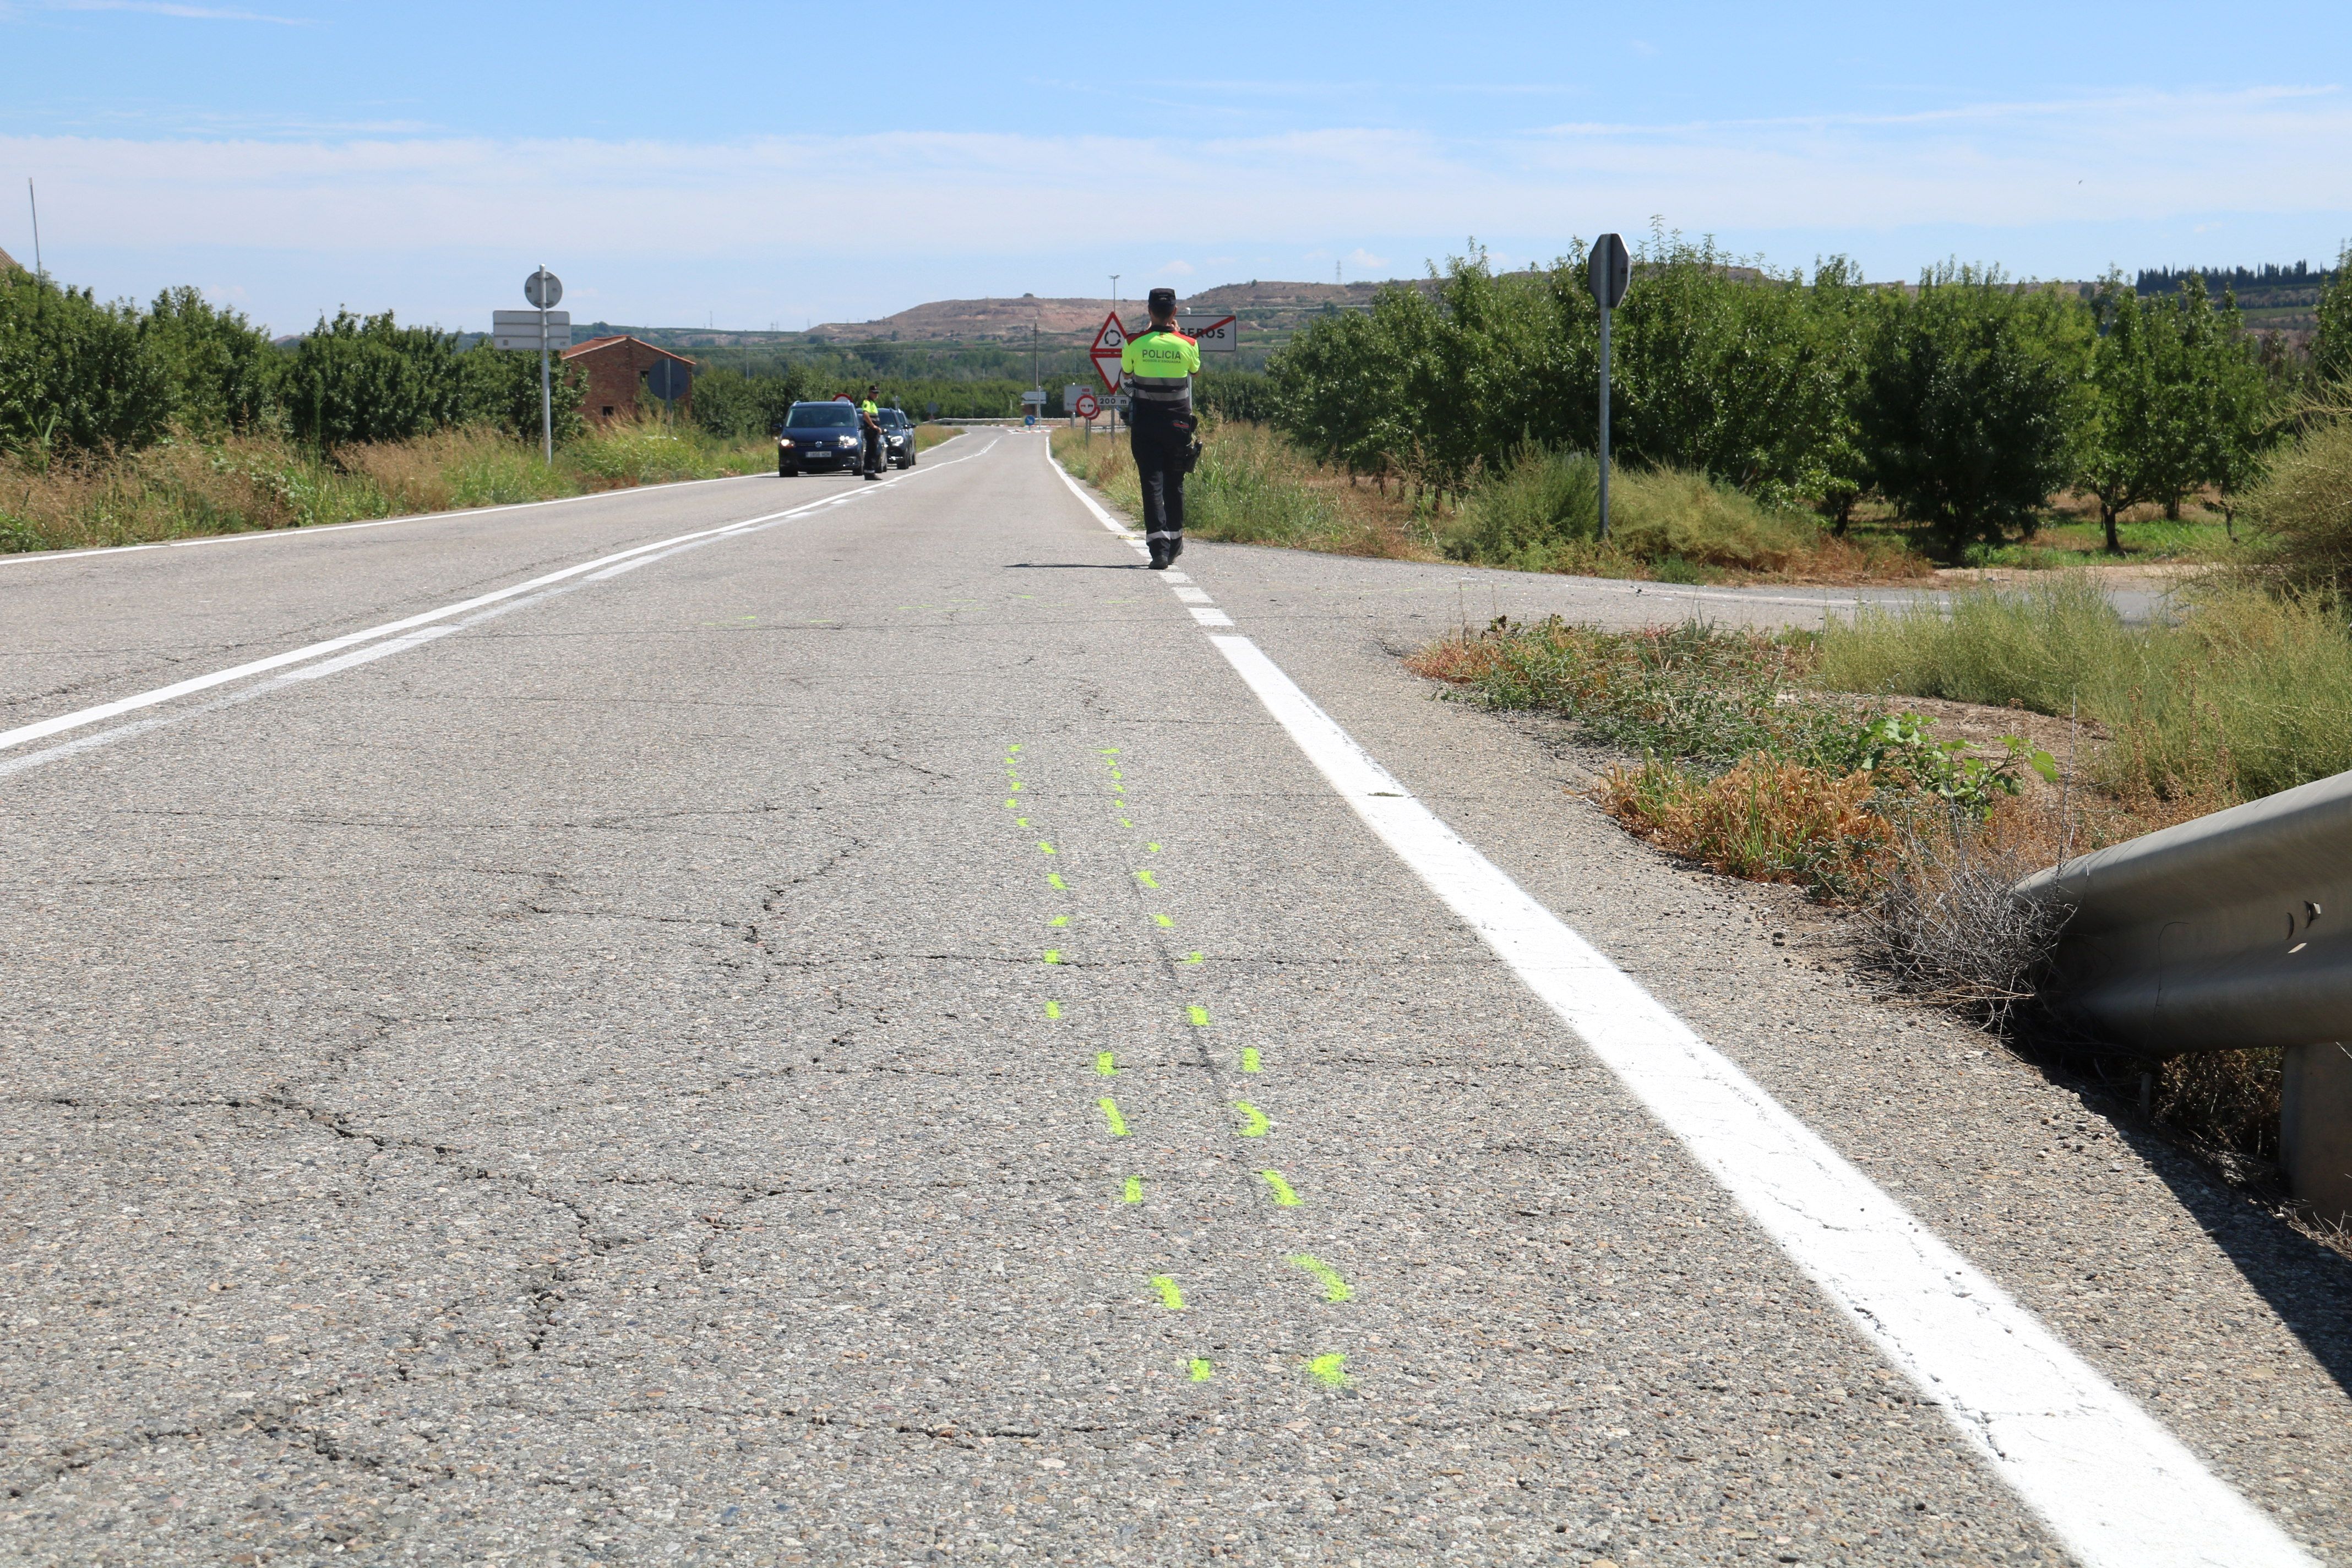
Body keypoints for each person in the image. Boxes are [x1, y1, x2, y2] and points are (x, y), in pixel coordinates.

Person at [1119, 288, 1202, 569]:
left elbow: (1127, 374)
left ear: (1149, 311)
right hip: (1178, 424)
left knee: (1152, 483)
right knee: (1175, 482)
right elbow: (1195, 371)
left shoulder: (1134, 342)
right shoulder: (1188, 343)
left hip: (1146, 423)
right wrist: (1176, 336)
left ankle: (1159, 551)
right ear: (1175, 313)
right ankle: (1176, 542)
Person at [858, 385, 885, 481]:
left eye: (877, 393)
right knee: (871, 452)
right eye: (874, 393)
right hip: (871, 431)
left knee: (873, 451)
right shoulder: (867, 402)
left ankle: (871, 472)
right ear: (870, 393)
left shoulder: (873, 403)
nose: (876, 395)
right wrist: (873, 426)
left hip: (874, 432)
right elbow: (865, 415)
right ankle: (869, 473)